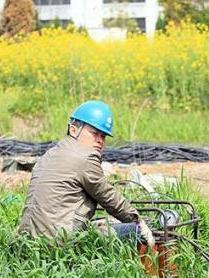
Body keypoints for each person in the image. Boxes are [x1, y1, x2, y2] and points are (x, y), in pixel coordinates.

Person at [18, 100, 154, 247]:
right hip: (59, 242)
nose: (99, 141)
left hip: (27, 239)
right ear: (73, 129)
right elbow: (108, 197)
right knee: (138, 230)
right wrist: (138, 222)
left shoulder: (49, 155)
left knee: (102, 223)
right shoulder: (85, 157)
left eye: (103, 136)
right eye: (94, 133)